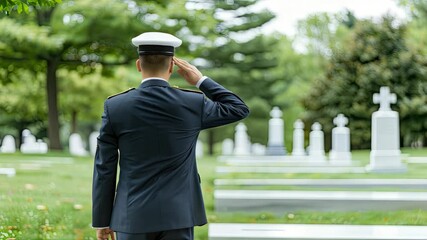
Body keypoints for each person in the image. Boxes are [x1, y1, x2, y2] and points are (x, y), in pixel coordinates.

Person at [92, 32, 249, 240]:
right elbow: (238, 108)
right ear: (172, 67)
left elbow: (105, 168)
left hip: (131, 216)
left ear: (139, 65)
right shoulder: (192, 103)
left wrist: (102, 220)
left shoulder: (115, 107)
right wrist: (200, 80)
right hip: (179, 214)